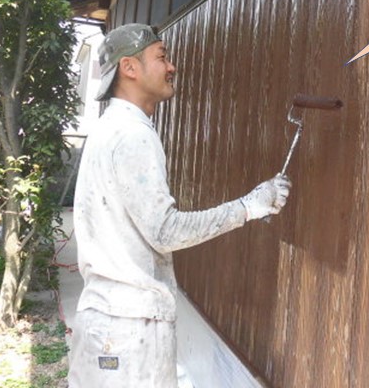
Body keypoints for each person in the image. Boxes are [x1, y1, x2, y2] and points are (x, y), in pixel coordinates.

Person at [68, 23, 291, 387]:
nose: (171, 66)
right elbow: (166, 231)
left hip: (105, 322)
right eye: (162, 56)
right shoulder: (133, 134)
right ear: (129, 67)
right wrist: (249, 207)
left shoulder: (109, 127)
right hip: (131, 332)